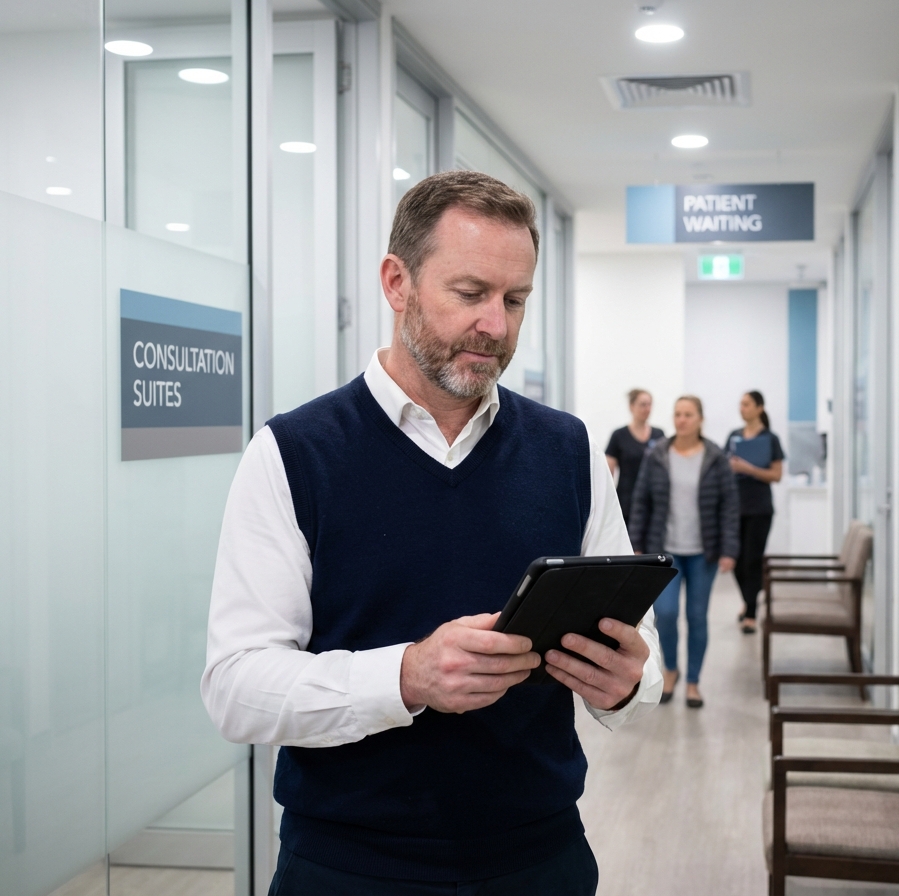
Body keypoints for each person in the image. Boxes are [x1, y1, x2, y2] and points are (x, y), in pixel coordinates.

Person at [202, 171, 663, 896]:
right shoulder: (293, 454)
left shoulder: (568, 452)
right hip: (347, 868)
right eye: (471, 294)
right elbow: (235, 687)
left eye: (515, 300)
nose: (498, 326)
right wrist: (407, 676)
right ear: (397, 282)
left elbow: (641, 650)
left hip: (541, 860)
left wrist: (629, 681)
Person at [628, 396, 738, 709]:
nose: (682, 420)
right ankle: (671, 669)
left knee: (697, 616)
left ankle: (693, 681)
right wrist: (636, 542)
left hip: (704, 553)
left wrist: (730, 549)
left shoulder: (715, 457)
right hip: (666, 552)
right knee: (666, 613)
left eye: (688, 414)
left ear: (700, 419)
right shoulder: (658, 454)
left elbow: (730, 507)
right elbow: (641, 501)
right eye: (677, 414)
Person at [725, 391, 785, 634]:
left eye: (747, 404)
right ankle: (750, 599)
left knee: (752, 559)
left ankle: (750, 613)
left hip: (759, 508)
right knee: (737, 561)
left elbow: (776, 475)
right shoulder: (733, 436)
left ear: (759, 408)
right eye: (740, 404)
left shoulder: (770, 439)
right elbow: (721, 464)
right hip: (734, 508)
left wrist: (747, 468)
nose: (742, 408)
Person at [605, 389, 665, 523]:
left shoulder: (658, 435)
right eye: (643, 404)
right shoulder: (619, 435)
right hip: (627, 502)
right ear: (631, 406)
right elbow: (609, 473)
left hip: (652, 501)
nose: (647, 409)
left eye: (649, 404)